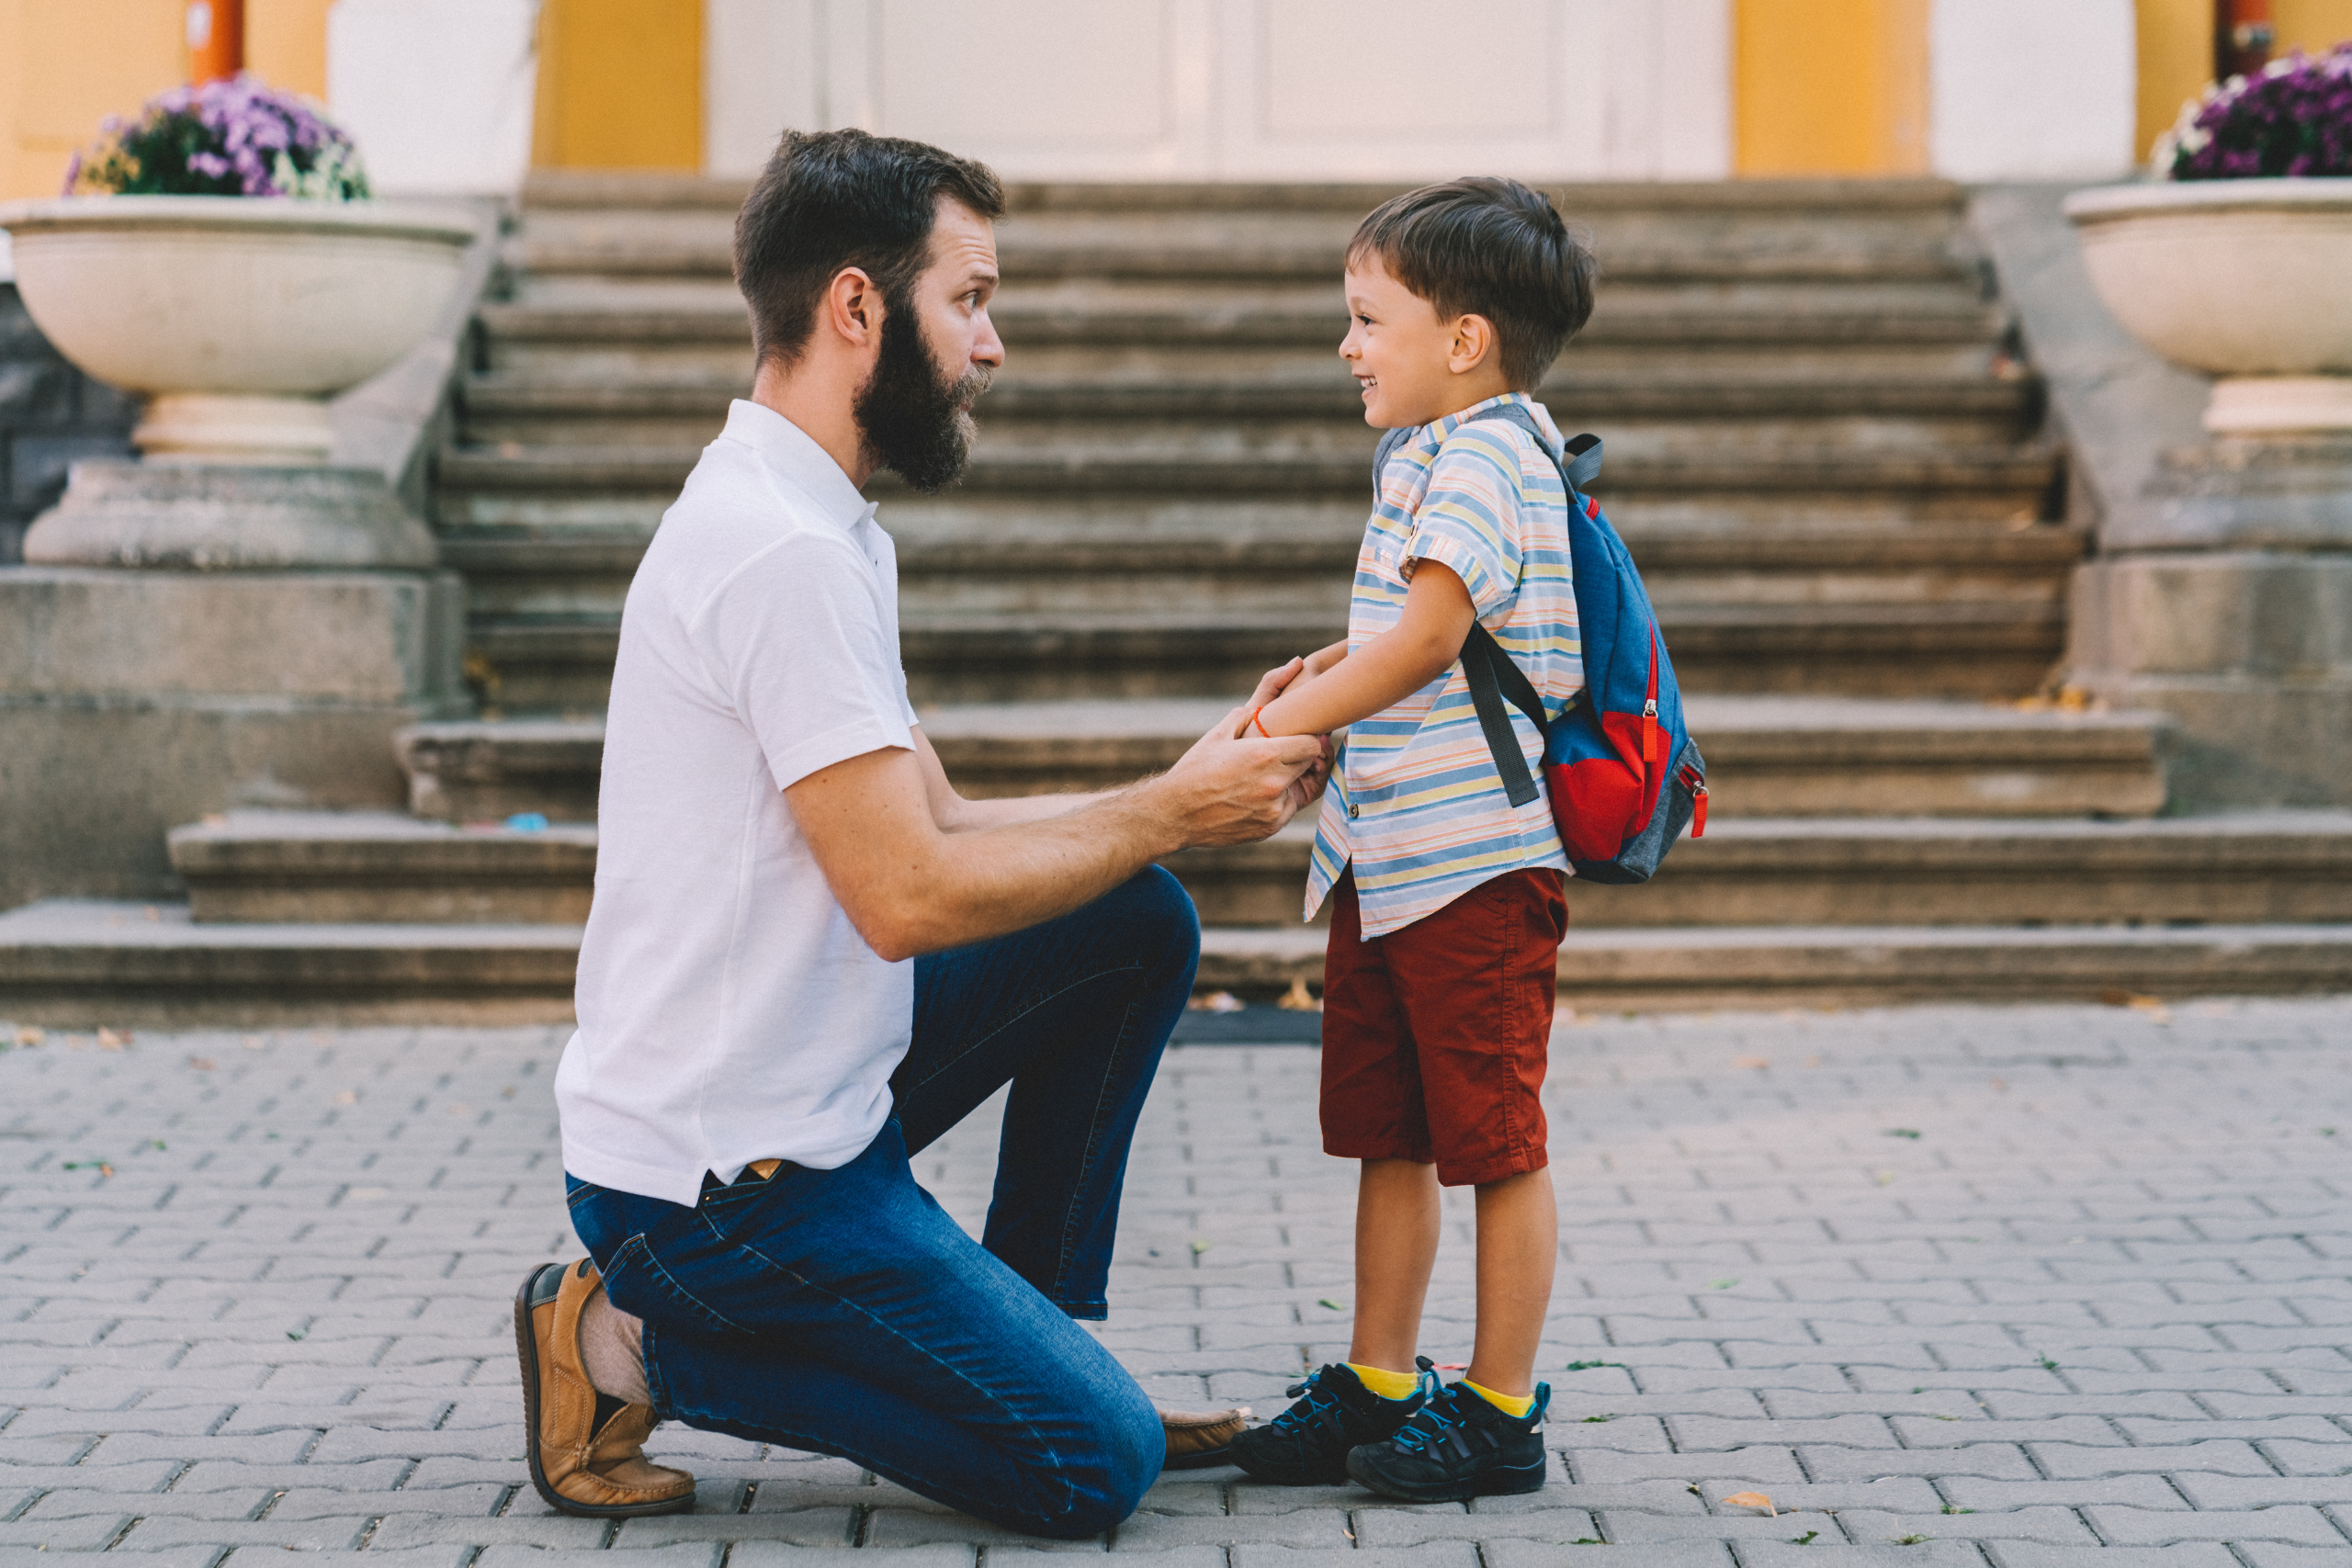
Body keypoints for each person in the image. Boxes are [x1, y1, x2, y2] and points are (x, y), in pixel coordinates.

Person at [513, 129, 1328, 1540]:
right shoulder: (781, 553)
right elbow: (907, 895)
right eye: (971, 299)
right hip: (717, 1200)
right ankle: (622, 1344)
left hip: (808, 1097)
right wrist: (1174, 810)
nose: (992, 345)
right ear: (855, 308)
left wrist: (1180, 794)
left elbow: (938, 821)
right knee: (1089, 1467)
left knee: (1133, 919)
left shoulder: (818, 521)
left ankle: (1034, 1335)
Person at [1224, 178, 1597, 1503]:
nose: (1347, 343)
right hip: (1388, 859)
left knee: (1495, 1138)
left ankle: (1498, 1411)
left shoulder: (1497, 448)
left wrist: (1280, 738)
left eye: (1366, 316)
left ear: (1465, 338)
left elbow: (1436, 639)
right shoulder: (1427, 452)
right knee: (1391, 1129)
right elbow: (1415, 629)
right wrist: (1319, 672)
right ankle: (1381, 1378)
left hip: (1477, 866)